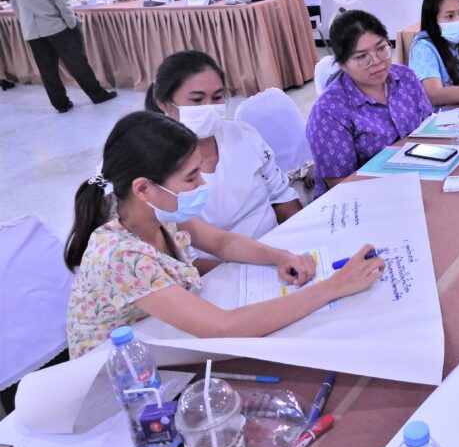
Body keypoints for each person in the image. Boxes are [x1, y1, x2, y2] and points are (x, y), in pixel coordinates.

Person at [65, 111, 384, 358]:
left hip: (161, 335)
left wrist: (280, 256)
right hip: (117, 371)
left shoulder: (153, 210)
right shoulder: (120, 254)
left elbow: (221, 242)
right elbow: (224, 328)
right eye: (192, 177)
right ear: (144, 188)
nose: (202, 184)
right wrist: (334, 286)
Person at [146, 51, 302, 243]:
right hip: (221, 261)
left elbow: (282, 197)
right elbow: (181, 249)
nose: (210, 108)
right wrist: (262, 257)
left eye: (217, 97)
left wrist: (301, 241)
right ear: (164, 104)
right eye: (197, 100)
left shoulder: (244, 134)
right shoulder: (156, 166)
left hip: (278, 245)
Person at [307, 10, 433, 194]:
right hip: (366, 196)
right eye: (361, 57)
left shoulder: (405, 77)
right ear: (342, 63)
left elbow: (430, 129)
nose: (377, 62)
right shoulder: (329, 111)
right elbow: (340, 184)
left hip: (424, 176)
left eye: (381, 48)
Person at [4, 0, 117, 112]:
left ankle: (61, 104)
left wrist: (25, 23)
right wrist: (72, 22)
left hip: (31, 29)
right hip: (56, 26)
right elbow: (61, 1)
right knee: (77, 62)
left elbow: (14, 3)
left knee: (47, 69)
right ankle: (97, 95)